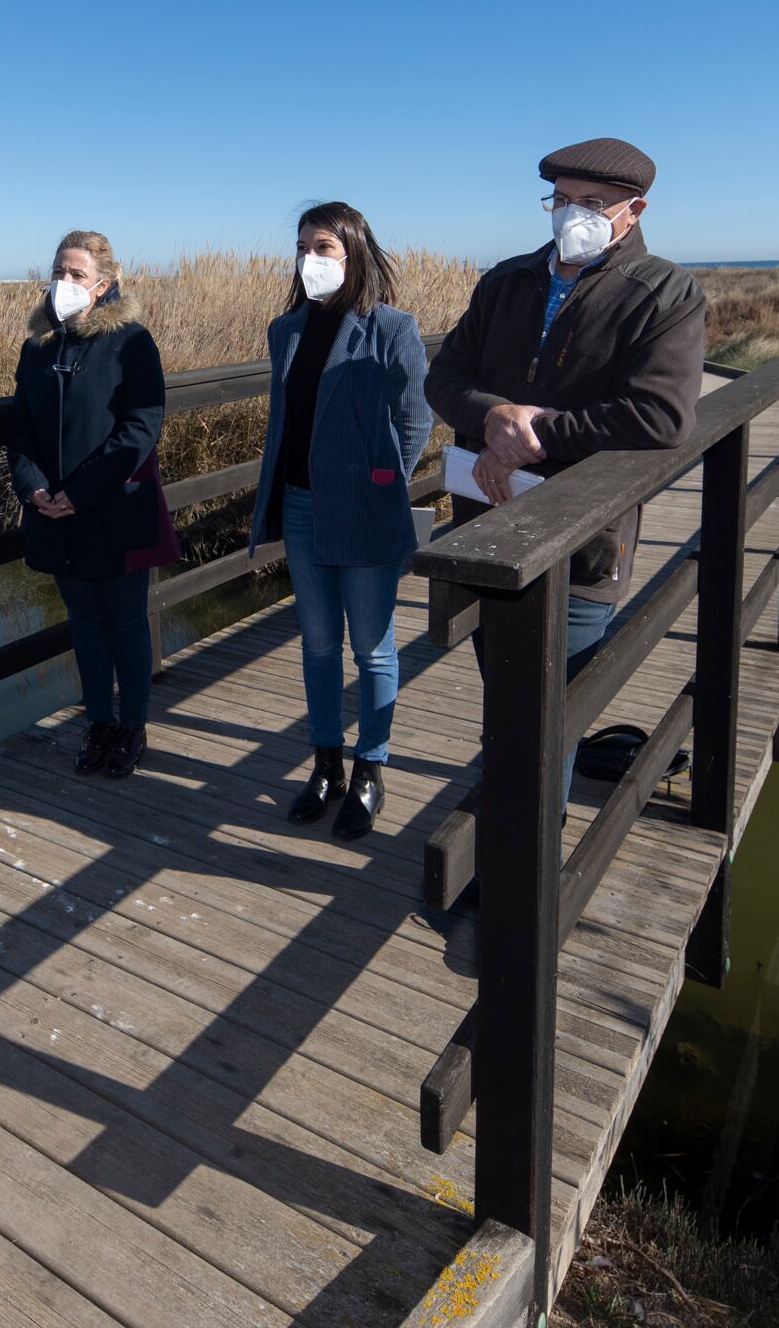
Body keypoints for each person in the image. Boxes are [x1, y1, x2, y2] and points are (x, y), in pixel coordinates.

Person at [425, 136, 706, 701]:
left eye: (594, 202)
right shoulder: (507, 280)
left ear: (635, 210)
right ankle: (501, 790)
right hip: (488, 525)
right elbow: (444, 377)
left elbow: (660, 416)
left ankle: (536, 791)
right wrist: (493, 415)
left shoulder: (664, 292)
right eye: (562, 198)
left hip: (584, 544)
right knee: (504, 696)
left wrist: (534, 435)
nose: (573, 214)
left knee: (553, 716)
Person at [247, 203, 434, 841]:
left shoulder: (391, 327)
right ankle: (325, 762)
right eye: (302, 246)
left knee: (372, 647)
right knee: (320, 642)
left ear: (352, 252)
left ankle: (370, 769)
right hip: (301, 504)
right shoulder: (286, 328)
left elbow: (415, 418)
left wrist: (383, 484)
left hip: (363, 511)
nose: (310, 259)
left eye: (323, 246)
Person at [9, 231, 175, 780]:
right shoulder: (38, 349)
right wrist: (32, 487)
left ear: (104, 284)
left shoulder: (131, 341)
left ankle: (132, 727)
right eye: (59, 270)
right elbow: (21, 429)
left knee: (126, 622)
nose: (64, 282)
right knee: (83, 624)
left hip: (111, 510)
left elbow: (140, 428)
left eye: (77, 274)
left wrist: (81, 493)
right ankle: (99, 723)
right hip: (53, 513)